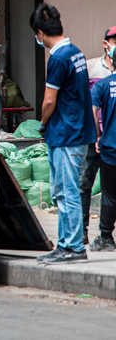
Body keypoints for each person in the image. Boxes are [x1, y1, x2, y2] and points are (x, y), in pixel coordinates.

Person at [30, 3, 94, 264]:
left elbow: (48, 100)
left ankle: (73, 246)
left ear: (40, 33)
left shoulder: (57, 58)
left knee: (66, 193)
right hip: (77, 131)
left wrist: (42, 123)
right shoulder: (75, 52)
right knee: (65, 192)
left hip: (65, 134)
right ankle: (66, 244)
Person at [80, 26, 116, 243]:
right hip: (95, 137)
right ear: (106, 44)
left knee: (110, 189)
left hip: (110, 140)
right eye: (114, 40)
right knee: (85, 181)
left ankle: (105, 235)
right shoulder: (90, 68)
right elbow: (84, 102)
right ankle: (83, 231)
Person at [89, 41, 116, 252]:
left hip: (110, 149)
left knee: (109, 194)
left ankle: (106, 238)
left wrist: (98, 137)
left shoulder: (102, 85)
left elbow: (92, 111)